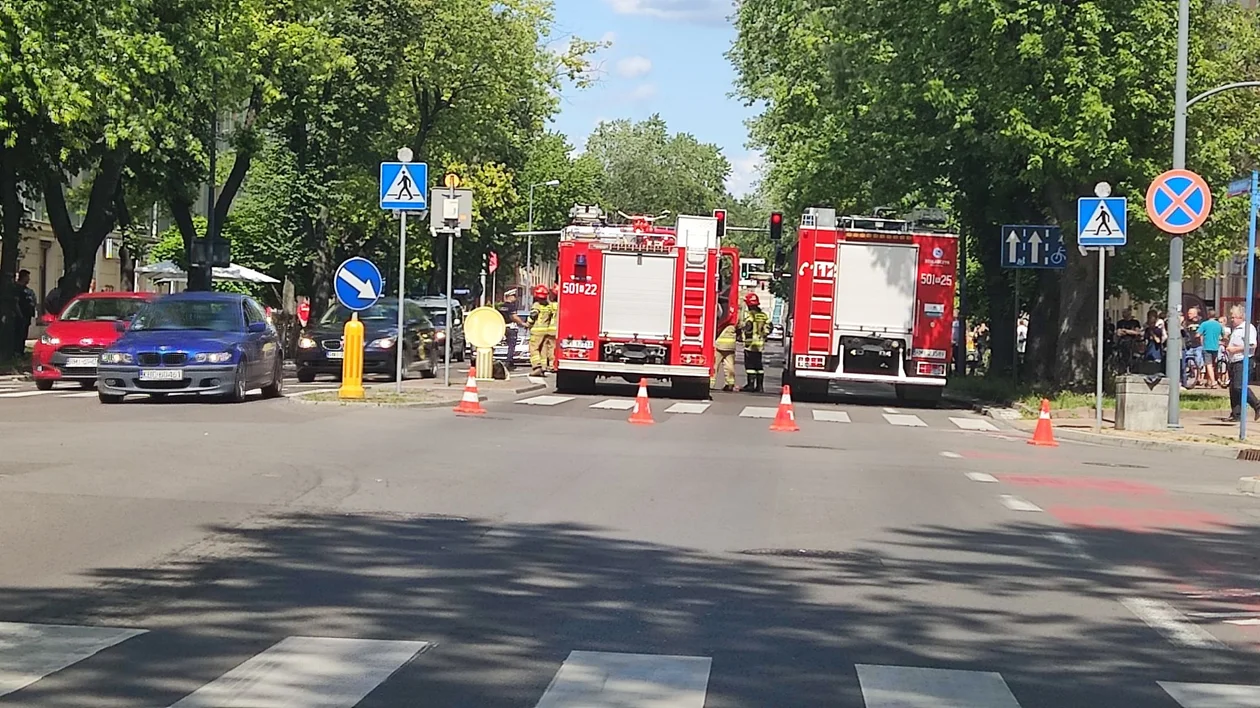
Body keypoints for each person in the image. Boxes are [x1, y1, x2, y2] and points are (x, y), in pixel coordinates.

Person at [1225, 304, 1260, 422]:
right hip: (1234, 361)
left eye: (1234, 317)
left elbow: (1252, 345)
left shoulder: (1247, 328)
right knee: (1233, 389)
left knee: (1239, 386)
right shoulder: (1236, 329)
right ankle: (1236, 414)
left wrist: (1235, 349)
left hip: (1243, 360)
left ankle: (1257, 405)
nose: (1232, 319)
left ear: (1241, 317)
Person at [740, 292, 770, 392]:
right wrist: (764, 335)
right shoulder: (763, 315)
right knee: (759, 366)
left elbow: (748, 327)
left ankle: (751, 385)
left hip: (750, 344)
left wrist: (743, 330)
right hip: (760, 345)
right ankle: (760, 386)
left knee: (750, 366)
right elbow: (770, 327)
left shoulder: (749, 315)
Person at [495, 289, 527, 371]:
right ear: (509, 296)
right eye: (514, 296)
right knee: (511, 346)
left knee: (503, 344)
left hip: (502, 327)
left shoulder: (500, 307)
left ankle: (510, 362)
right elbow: (514, 317)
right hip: (510, 327)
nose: (515, 298)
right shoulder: (511, 306)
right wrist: (523, 324)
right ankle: (508, 362)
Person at [525, 284, 552, 377]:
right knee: (543, 350)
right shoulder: (548, 305)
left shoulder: (536, 305)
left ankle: (537, 367)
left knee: (534, 349)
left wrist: (528, 324)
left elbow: (533, 315)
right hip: (546, 330)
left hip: (536, 331)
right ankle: (543, 367)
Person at [712, 310, 738, 392]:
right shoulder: (735, 319)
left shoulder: (722, 319)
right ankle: (730, 384)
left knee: (714, 365)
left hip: (719, 344)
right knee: (729, 366)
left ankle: (711, 384)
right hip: (730, 346)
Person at [1198, 308, 1223, 388]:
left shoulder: (1204, 324)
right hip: (1216, 347)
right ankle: (1209, 382)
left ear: (1208, 315)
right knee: (1212, 365)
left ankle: (1213, 381)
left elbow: (1197, 334)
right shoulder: (1219, 325)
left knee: (1208, 364)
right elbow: (1224, 335)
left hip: (1207, 346)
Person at [13, 270, 37, 356]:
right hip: (19, 316)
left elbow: (33, 301)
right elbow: (16, 303)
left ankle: (21, 351)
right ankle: (16, 352)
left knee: (23, 334)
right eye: (27, 277)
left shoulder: (27, 290)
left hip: (27, 316)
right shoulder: (17, 289)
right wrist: (20, 315)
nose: (29, 279)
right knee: (18, 334)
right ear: (23, 277)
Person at [544, 284, 559, 372]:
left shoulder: (551, 305)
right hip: (559, 330)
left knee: (551, 348)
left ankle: (552, 365)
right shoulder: (563, 304)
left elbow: (546, 317)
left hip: (551, 329)